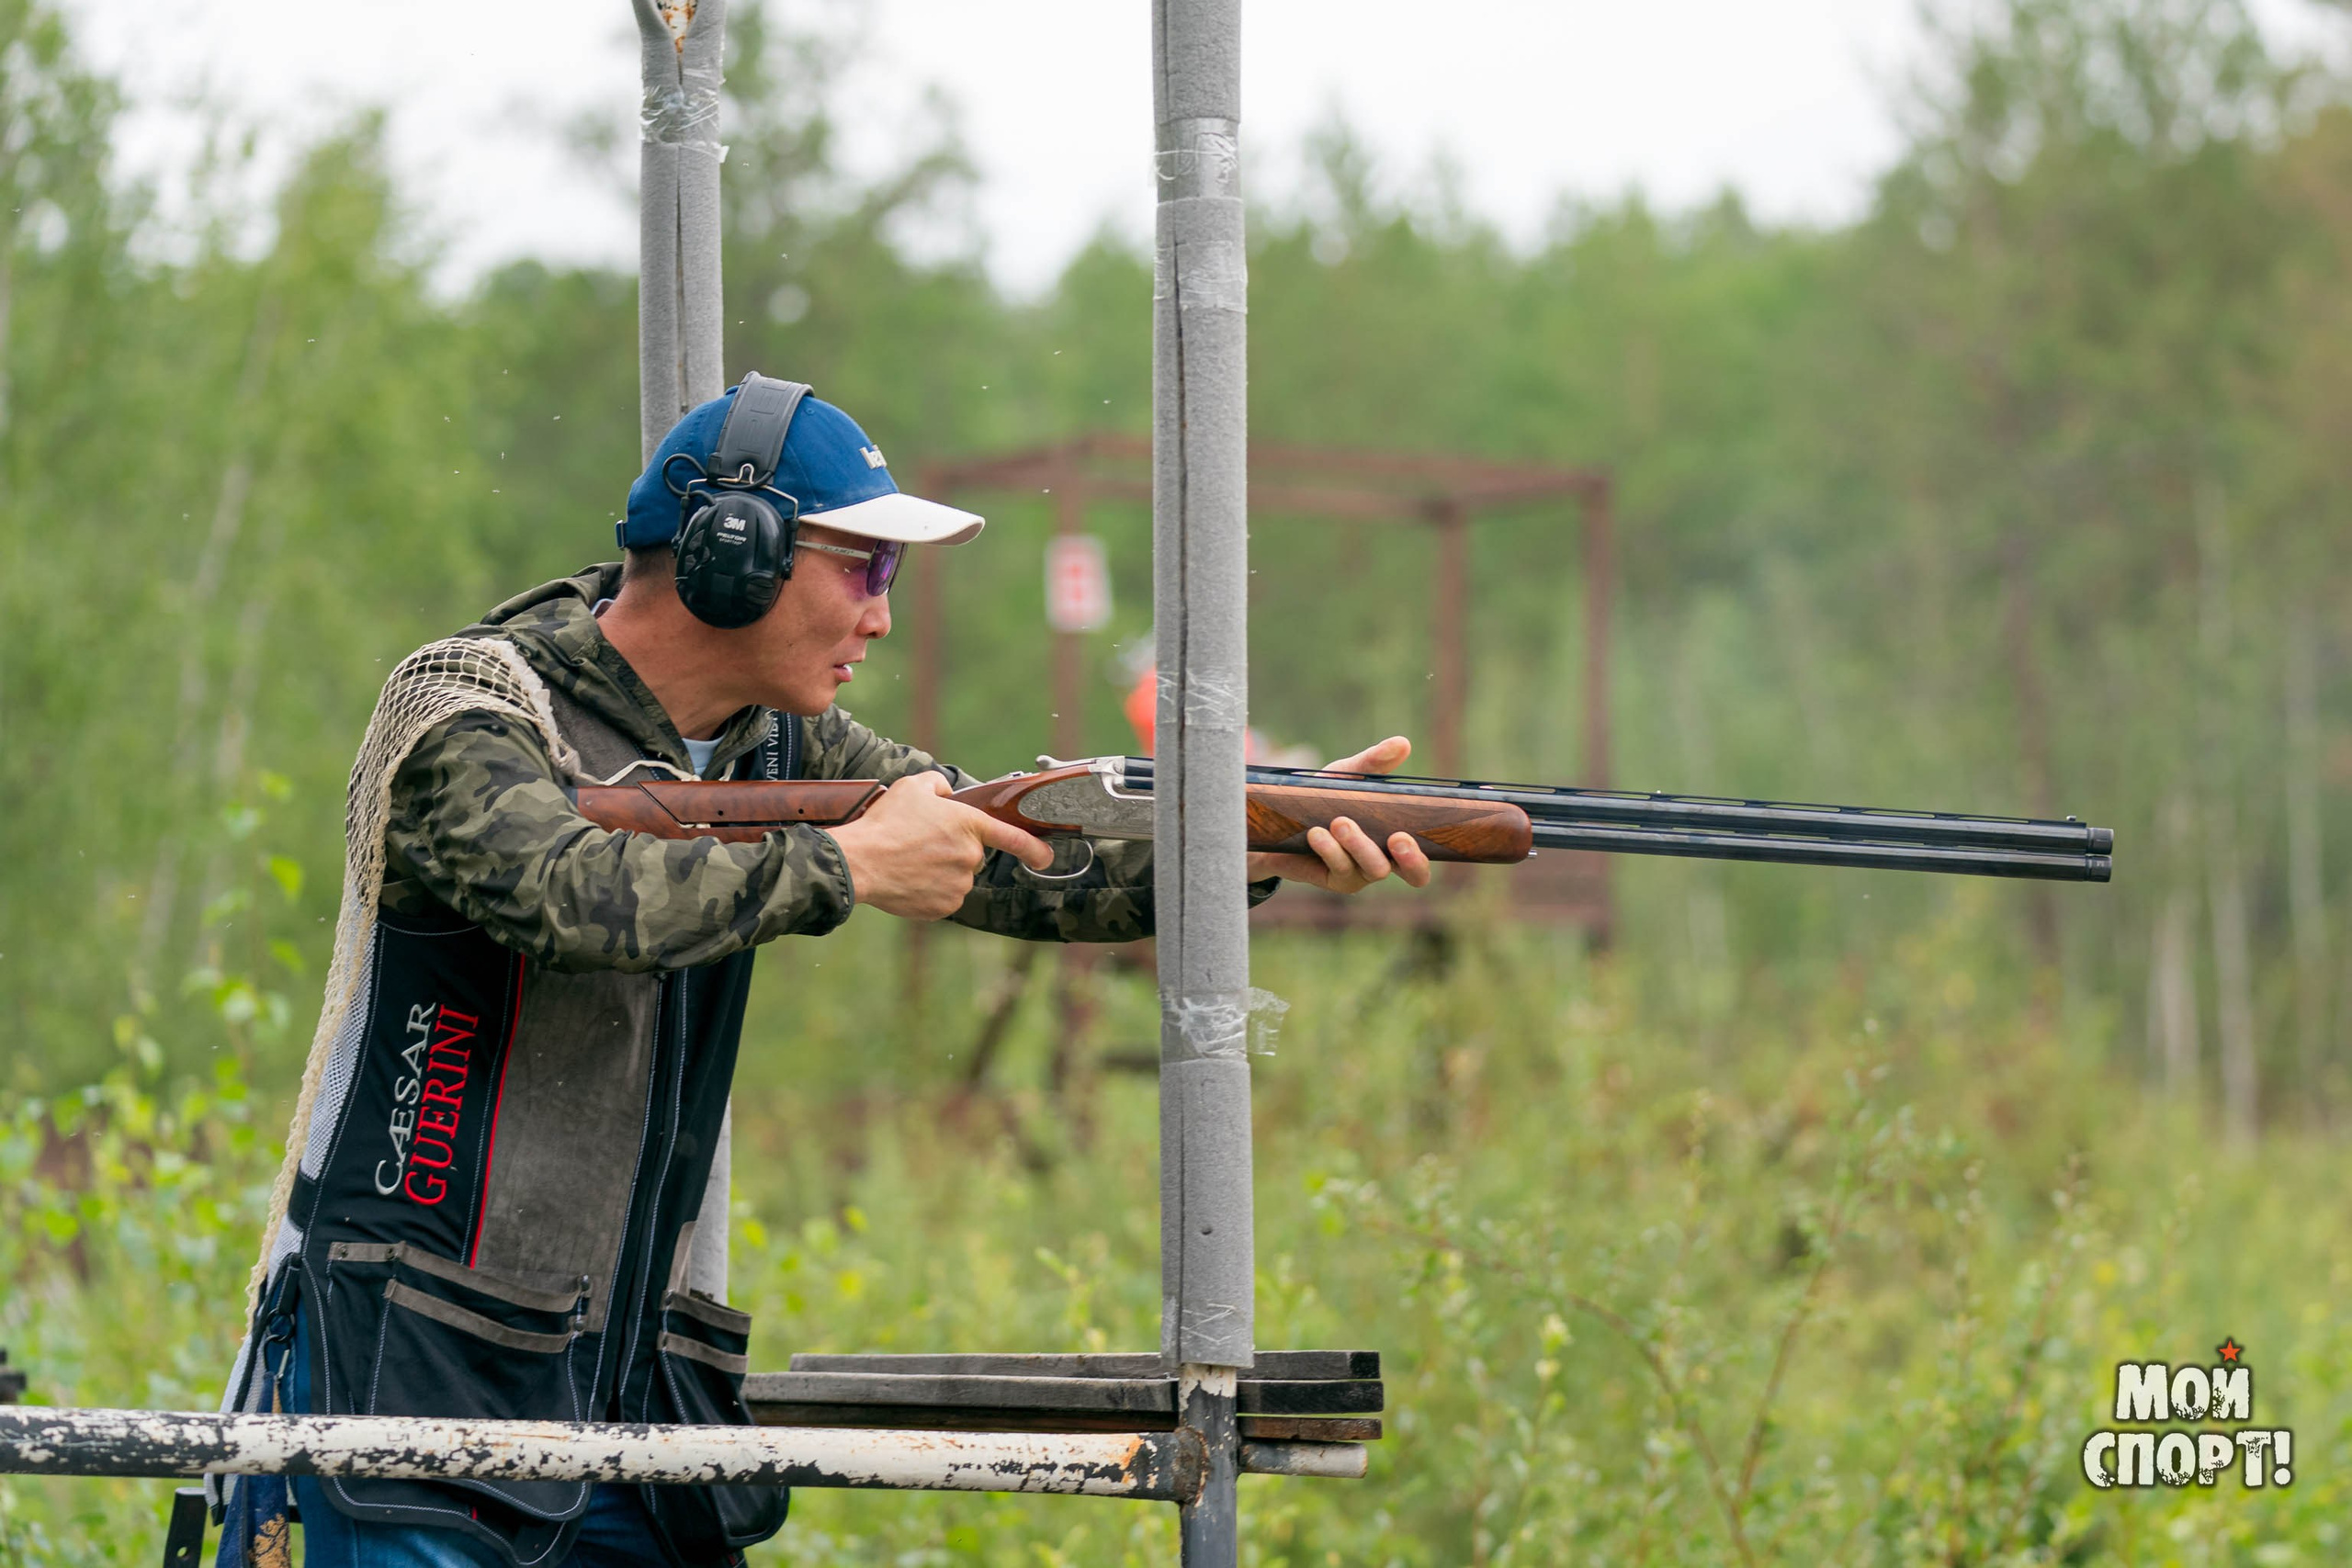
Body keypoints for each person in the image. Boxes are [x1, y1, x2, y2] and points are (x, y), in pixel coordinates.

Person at [212, 374, 1431, 1568]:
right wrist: (846, 863)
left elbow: (1016, 858)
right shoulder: (469, 709)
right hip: (402, 1375)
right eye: (864, 567)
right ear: (729, 554)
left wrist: (1246, 847)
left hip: (619, 1390)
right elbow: (567, 894)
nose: (881, 614)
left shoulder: (776, 744)